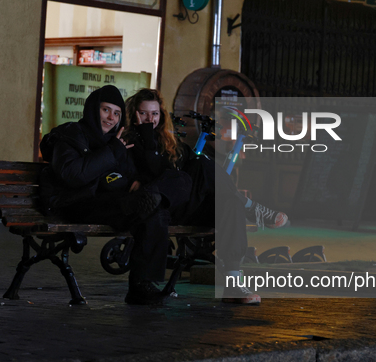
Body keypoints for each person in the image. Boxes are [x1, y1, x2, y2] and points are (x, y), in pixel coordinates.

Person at [122, 88, 289, 304]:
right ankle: (251, 207)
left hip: (185, 204)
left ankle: (233, 282)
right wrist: (145, 134)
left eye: (154, 114)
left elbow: (183, 164)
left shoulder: (169, 141)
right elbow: (152, 170)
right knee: (201, 165)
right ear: (134, 114)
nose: (150, 119)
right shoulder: (130, 141)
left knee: (228, 203)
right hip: (160, 206)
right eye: (144, 113)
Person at [40, 85, 190, 305]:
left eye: (117, 113)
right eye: (106, 110)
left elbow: (124, 175)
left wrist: (138, 183)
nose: (111, 118)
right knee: (149, 207)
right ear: (93, 109)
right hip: (76, 203)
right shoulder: (72, 134)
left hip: (108, 203)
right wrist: (112, 153)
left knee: (161, 203)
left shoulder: (115, 140)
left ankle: (141, 286)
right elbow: (73, 175)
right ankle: (141, 282)